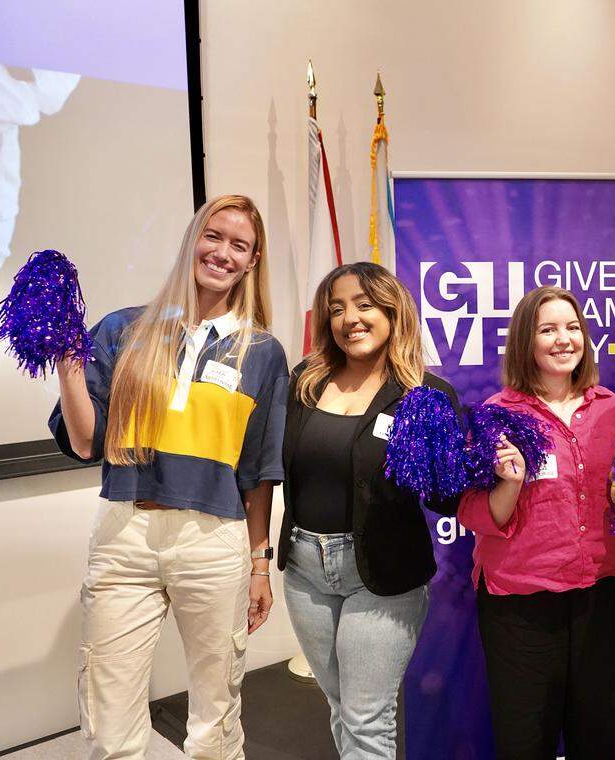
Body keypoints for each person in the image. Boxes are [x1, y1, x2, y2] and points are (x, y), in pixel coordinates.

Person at [48, 194, 287, 759]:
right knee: (108, 719)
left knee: (214, 715)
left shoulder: (262, 352)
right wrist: (67, 368)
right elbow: (85, 442)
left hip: (214, 542)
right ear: (192, 239)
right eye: (213, 236)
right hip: (124, 537)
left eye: (239, 245)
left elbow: (258, 473)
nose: (222, 253)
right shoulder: (123, 329)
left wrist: (260, 564)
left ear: (252, 261)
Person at [277, 262, 462, 759]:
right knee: (341, 706)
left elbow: (449, 498)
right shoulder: (304, 382)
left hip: (381, 573)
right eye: (337, 308)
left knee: (365, 718)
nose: (349, 318)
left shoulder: (426, 395)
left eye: (363, 304)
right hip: (303, 569)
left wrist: (438, 454)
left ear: (391, 310)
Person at [458, 286, 615, 760]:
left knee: (600, 738)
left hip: (602, 595)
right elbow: (477, 514)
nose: (564, 339)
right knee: (525, 741)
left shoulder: (611, 408)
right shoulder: (499, 414)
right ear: (526, 341)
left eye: (573, 327)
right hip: (521, 605)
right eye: (548, 329)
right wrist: (510, 485)